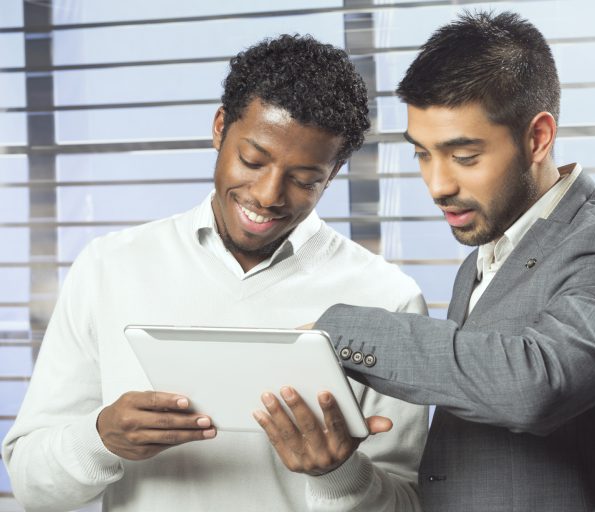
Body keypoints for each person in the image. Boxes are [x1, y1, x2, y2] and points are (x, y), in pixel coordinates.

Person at [269, 11, 595, 512]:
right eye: (422, 154)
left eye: (463, 156)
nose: (438, 185)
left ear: (538, 138)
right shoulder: (487, 255)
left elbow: (536, 385)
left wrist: (340, 332)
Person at [2, 35, 428, 512]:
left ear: (333, 173)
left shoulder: (388, 298)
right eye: (253, 160)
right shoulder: (109, 266)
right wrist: (102, 439)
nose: (268, 195)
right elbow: (33, 486)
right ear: (220, 128)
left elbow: (407, 505)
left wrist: (338, 474)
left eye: (304, 179)